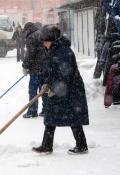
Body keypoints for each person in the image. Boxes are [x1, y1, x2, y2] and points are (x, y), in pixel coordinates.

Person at [32, 25, 89, 155]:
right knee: (51, 116)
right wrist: (47, 83)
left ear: (52, 40)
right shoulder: (54, 50)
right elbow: (51, 71)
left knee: (73, 118)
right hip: (61, 89)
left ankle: (82, 146)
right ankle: (47, 145)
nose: (43, 43)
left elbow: (66, 74)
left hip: (71, 90)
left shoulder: (64, 52)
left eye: (45, 40)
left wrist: (54, 88)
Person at [22, 22, 48, 118]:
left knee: (33, 90)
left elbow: (30, 54)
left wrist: (26, 66)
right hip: (46, 68)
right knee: (44, 89)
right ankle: (46, 110)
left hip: (36, 69)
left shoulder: (31, 38)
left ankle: (32, 111)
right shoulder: (42, 34)